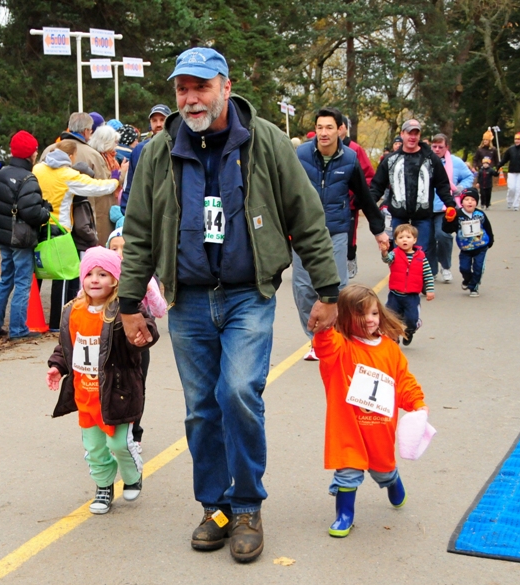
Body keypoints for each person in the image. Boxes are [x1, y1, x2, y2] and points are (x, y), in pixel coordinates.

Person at [118, 47, 341, 562]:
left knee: (239, 392)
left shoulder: (265, 142)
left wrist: (328, 292)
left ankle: (247, 506)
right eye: (182, 88)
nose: (191, 98)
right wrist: (130, 304)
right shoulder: (158, 151)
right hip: (189, 301)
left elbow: (307, 217)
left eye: (200, 86)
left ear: (224, 84)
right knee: (201, 410)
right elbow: (142, 232)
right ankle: (214, 507)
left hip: (248, 294)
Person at [46, 247, 158, 515]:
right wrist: (57, 366)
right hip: (86, 394)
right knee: (95, 448)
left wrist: (143, 337)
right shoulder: (73, 310)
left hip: (117, 392)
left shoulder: (123, 310)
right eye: (90, 274)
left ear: (116, 279)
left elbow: (148, 328)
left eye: (103, 274)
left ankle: (132, 475)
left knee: (119, 444)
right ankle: (103, 487)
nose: (95, 279)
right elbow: (67, 345)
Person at [313, 284, 428, 538]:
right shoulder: (340, 347)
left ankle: (393, 482)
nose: (369, 320)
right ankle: (344, 516)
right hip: (348, 426)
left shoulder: (389, 348)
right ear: (344, 316)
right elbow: (325, 345)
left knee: (383, 470)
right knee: (347, 472)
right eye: (360, 314)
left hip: (379, 426)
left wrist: (417, 403)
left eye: (374, 313)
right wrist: (324, 323)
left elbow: (403, 380)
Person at [295, 107, 388, 361]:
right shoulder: (300, 154)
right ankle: (315, 338)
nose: (324, 133)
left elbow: (365, 197)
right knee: (303, 287)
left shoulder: (349, 159)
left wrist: (378, 230)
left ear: (340, 130)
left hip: (336, 229)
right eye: (320, 127)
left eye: (329, 127)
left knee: (338, 288)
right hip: (303, 231)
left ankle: (339, 334)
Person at [33, 140, 121, 331]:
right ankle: (57, 322)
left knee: (37, 274)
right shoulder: (68, 175)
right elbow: (99, 187)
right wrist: (116, 178)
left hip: (38, 226)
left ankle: (31, 319)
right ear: (72, 157)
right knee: (63, 277)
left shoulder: (38, 170)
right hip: (60, 230)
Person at [0, 130, 51, 340]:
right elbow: (31, 212)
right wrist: (45, 212)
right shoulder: (28, 178)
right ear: (31, 154)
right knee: (23, 282)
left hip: (4, 234)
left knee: (6, 279)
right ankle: (18, 329)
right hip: (21, 237)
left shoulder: (2, 173)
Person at [107, 226, 167, 452]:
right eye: (114, 248)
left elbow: (160, 310)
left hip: (137, 343)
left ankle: (134, 433)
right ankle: (107, 432)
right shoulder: (101, 278)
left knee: (136, 386)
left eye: (126, 248)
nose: (120, 253)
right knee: (107, 387)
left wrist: (150, 286)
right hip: (108, 343)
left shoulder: (143, 277)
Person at [369, 119, 455, 258]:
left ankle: (419, 279)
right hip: (397, 215)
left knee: (420, 254)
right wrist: (369, 205)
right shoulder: (390, 160)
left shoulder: (431, 159)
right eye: (409, 133)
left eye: (416, 133)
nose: (412, 137)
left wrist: (450, 205)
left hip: (423, 216)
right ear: (402, 134)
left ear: (420, 136)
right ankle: (402, 279)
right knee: (399, 255)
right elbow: (377, 186)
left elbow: (442, 184)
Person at [41, 113, 113, 243]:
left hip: (51, 223)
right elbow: (102, 196)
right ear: (86, 131)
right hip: (84, 223)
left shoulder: (49, 150)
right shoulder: (93, 155)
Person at [429, 133, 474, 283]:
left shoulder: (455, 162)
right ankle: (431, 270)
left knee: (443, 236)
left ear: (446, 147)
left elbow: (469, 176)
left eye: (440, 147)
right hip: (426, 207)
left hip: (445, 206)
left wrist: (461, 187)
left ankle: (446, 267)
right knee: (427, 239)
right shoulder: (425, 160)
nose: (436, 149)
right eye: (434, 146)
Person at [381, 223, 435, 346]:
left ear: (414, 240)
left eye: (408, 237)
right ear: (396, 241)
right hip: (395, 295)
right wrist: (384, 252)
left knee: (411, 320)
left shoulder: (421, 257)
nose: (404, 239)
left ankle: (409, 331)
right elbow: (386, 260)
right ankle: (394, 339)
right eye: (401, 237)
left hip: (412, 296)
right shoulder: (394, 254)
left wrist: (430, 290)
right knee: (391, 318)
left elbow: (428, 274)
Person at [337, 114, 375, 280]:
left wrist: (356, 196)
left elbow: (369, 176)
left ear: (345, 128)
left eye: (340, 127)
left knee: (349, 237)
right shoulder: (317, 149)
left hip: (349, 204)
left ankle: (351, 257)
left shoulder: (355, 149)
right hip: (328, 204)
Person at [442, 188, 494, 297]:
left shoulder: (480, 214)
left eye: (473, 200)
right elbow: (447, 229)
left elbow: (487, 227)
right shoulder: (457, 214)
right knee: (464, 268)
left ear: (476, 202)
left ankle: (473, 287)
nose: (470, 202)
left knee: (478, 268)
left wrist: (490, 240)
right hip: (465, 248)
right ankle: (467, 279)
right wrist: (448, 220)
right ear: (461, 202)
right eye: (466, 199)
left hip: (481, 246)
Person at [120, 104, 171, 214]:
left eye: (162, 120)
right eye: (154, 120)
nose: (158, 124)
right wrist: (126, 211)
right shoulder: (139, 149)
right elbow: (130, 184)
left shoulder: (178, 147)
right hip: (145, 212)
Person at [88, 124, 128, 205]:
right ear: (106, 142)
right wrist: (122, 170)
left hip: (108, 200)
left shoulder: (109, 155)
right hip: (103, 203)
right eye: (115, 142)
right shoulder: (99, 157)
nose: (116, 145)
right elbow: (109, 179)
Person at [497, 131, 520, 211]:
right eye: (515, 139)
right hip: (512, 172)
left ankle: (516, 204)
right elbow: (505, 159)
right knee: (511, 188)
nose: (516, 141)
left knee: (519, 188)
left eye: (518, 139)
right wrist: (499, 166)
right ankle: (509, 201)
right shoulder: (511, 149)